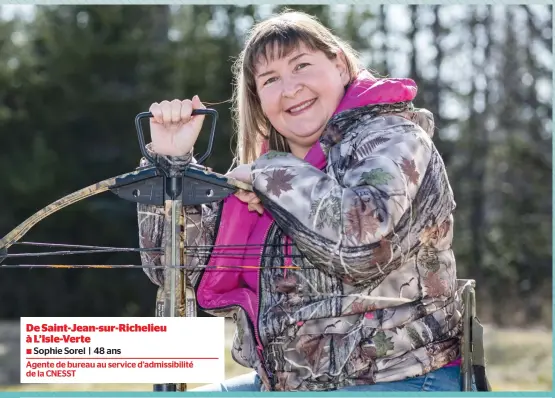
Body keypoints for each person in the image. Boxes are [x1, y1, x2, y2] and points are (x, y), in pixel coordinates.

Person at [137, 10, 470, 392]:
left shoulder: (393, 139)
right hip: (287, 384)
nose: (290, 88)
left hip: (403, 378)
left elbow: (358, 242)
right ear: (259, 100)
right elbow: (176, 276)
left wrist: (271, 175)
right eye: (271, 79)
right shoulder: (264, 172)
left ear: (340, 66)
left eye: (302, 66)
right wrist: (170, 163)